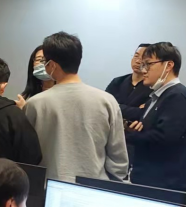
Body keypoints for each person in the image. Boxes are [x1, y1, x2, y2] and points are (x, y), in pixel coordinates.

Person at [23, 32, 128, 183]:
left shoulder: (35, 104)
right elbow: (118, 158)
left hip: (50, 186)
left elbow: (27, 155)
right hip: (94, 187)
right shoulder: (107, 101)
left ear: (52, 65)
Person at [125, 42, 186, 191]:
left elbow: (164, 138)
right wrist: (133, 130)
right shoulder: (156, 97)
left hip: (164, 187)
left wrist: (127, 136)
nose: (143, 70)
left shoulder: (177, 96)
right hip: (147, 181)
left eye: (148, 64)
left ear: (168, 66)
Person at [106, 44, 153, 120]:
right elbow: (104, 106)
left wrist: (116, 106)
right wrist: (134, 110)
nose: (138, 61)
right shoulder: (118, 82)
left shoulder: (153, 87)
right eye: (136, 56)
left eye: (144, 58)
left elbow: (144, 114)